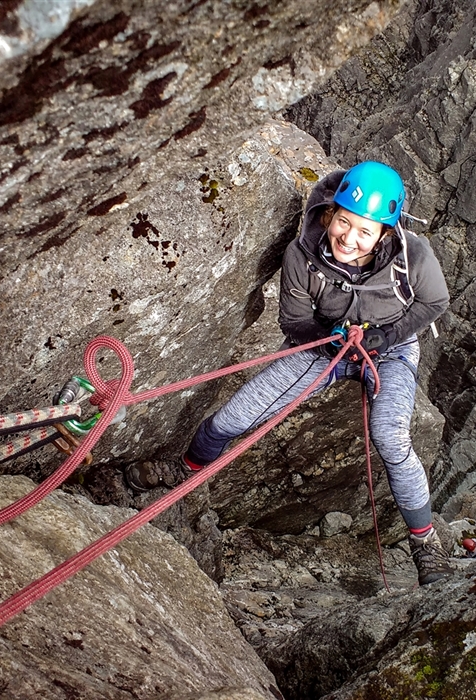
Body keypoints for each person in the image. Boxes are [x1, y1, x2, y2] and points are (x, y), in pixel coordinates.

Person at [125, 161, 454, 586]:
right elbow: (295, 322)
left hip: (388, 351)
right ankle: (186, 470)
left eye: (365, 231)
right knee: (231, 420)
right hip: (322, 346)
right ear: (330, 213)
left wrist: (386, 335)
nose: (348, 238)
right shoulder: (302, 256)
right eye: (343, 222)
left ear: (384, 234)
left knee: (390, 437)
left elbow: (434, 302)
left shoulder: (412, 257)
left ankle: (425, 543)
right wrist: (327, 338)